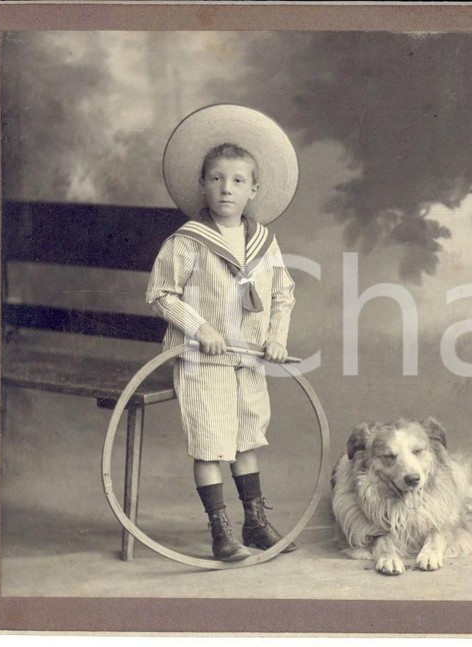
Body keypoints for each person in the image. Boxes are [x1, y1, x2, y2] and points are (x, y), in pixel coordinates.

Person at [146, 104, 300, 561]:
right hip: (203, 358)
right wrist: (201, 327)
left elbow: (282, 295)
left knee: (247, 440)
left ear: (254, 188)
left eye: (237, 180)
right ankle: (221, 532)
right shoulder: (188, 240)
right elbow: (161, 294)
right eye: (215, 178)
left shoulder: (264, 242)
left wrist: (277, 338)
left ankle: (255, 523)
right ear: (202, 185)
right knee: (212, 444)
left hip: (249, 357)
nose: (226, 188)